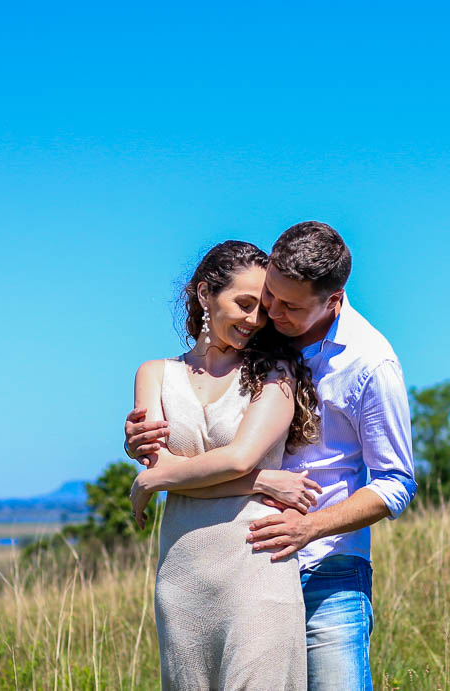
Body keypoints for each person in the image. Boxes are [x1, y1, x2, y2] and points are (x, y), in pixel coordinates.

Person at [125, 221, 417, 690]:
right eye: (267, 299)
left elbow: (397, 483)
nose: (270, 315)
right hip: (218, 562)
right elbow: (183, 442)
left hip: (326, 563)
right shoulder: (260, 339)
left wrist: (310, 525)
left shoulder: (369, 364)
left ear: (333, 301)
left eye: (288, 306)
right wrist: (140, 440)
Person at [128, 240, 324, 690]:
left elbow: (238, 457)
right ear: (204, 296)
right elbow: (162, 464)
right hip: (182, 575)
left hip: (256, 563)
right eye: (244, 304)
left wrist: (153, 481)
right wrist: (261, 484)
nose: (256, 320)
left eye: (264, 308)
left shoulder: (275, 371)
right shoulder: (154, 374)